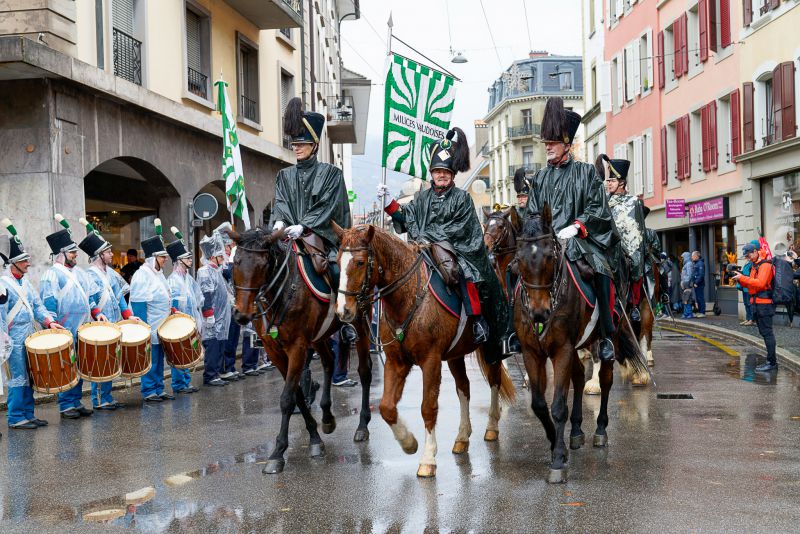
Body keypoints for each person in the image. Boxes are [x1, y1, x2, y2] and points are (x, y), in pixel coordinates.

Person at [378, 127, 509, 353]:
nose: (441, 175)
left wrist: (430, 238)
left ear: (452, 174)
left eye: (446, 172)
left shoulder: (462, 198)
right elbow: (407, 217)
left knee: (465, 273)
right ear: (432, 173)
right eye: (438, 171)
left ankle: (477, 321)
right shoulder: (422, 197)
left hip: (456, 251)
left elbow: (460, 229)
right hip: (423, 252)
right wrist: (389, 203)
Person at [524, 97, 619, 361]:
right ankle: (515, 330)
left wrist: (577, 227)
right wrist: (537, 232)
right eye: (546, 144)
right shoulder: (540, 177)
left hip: (578, 241)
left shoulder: (586, 172)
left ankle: (606, 335)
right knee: (515, 268)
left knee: (601, 269)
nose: (548, 148)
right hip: (545, 242)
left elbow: (598, 209)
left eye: (553, 143)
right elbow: (531, 213)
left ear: (567, 144)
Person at [269, 96, 356, 343]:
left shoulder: (332, 174)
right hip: (289, 237)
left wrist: (305, 226)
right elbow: (282, 202)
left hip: (322, 239)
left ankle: (347, 321)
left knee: (340, 272)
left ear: (315, 145)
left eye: (302, 143)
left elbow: (328, 206)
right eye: (294, 143)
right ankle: (265, 319)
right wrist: (279, 221)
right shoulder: (283, 175)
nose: (296, 147)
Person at [40, 215, 106, 419]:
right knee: (66, 368)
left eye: (75, 251)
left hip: (83, 328)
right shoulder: (52, 274)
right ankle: (66, 405)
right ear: (61, 254)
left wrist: (97, 313)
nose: (75, 254)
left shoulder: (81, 273)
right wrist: (53, 326)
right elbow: (49, 302)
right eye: (71, 252)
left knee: (79, 367)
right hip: (64, 329)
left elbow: (90, 298)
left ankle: (75, 401)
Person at [0, 220, 63, 429]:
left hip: (28, 336)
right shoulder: (2, 285)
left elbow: (37, 306)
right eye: (24, 260)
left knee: (29, 376)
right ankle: (16, 417)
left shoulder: (25, 282)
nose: (28, 263)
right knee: (18, 378)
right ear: (14, 263)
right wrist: (4, 340)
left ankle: (28, 413)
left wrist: (50, 322)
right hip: (12, 338)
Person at [77, 217, 135, 410]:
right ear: (100, 254)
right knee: (99, 361)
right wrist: (96, 314)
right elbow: (90, 300)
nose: (112, 255)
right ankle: (98, 400)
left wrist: (127, 315)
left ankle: (107, 396)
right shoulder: (89, 274)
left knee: (111, 359)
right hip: (98, 324)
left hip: (113, 322)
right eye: (108, 252)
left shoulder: (111, 273)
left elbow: (119, 296)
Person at [129, 219, 175, 403]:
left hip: (161, 325)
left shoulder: (158, 274)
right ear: (152, 257)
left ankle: (158, 388)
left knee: (158, 361)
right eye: (162, 257)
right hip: (150, 326)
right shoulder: (142, 275)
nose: (165, 260)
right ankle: (149, 391)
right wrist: (144, 330)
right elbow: (139, 305)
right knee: (151, 361)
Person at [599, 155, 647, 323]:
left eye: (612, 180)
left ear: (622, 182)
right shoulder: (603, 201)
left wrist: (632, 250)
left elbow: (637, 229)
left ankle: (634, 305)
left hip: (630, 246)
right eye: (607, 180)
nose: (608, 183)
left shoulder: (634, 202)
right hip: (608, 246)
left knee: (636, 263)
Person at [165, 226, 202, 394]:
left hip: (189, 322)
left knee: (187, 352)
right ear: (179, 260)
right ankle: (179, 384)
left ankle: (185, 382)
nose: (190, 259)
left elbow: (197, 298)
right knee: (178, 353)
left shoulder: (188, 278)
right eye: (187, 257)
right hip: (178, 323)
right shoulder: (172, 281)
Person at [732, 243, 777, 372]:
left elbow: (761, 283)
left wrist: (743, 278)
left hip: (765, 304)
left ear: (756, 251)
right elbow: (752, 285)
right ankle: (771, 361)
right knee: (764, 333)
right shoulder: (755, 265)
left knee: (767, 333)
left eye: (749, 255)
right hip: (757, 303)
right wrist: (740, 279)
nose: (748, 258)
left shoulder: (765, 265)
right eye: (746, 256)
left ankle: (772, 363)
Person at [197, 232, 231, 387]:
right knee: (212, 348)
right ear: (213, 257)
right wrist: (208, 314)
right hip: (213, 318)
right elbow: (206, 294)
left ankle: (216, 373)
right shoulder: (205, 271)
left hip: (221, 318)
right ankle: (210, 375)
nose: (223, 259)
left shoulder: (217, 270)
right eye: (220, 256)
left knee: (219, 347)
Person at [680, 251, 695, 318]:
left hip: (687, 284)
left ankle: (688, 313)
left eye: (683, 257)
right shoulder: (687, 264)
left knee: (687, 299)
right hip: (685, 283)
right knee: (685, 299)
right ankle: (686, 313)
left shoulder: (689, 264)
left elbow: (689, 275)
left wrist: (684, 283)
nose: (682, 259)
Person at [692, 251, 706, 317]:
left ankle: (702, 312)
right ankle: (700, 311)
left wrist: (696, 282)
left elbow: (701, 275)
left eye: (693, 256)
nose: (691, 257)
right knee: (698, 298)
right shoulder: (696, 263)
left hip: (699, 284)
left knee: (700, 298)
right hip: (696, 284)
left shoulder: (700, 263)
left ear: (696, 256)